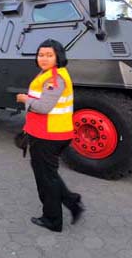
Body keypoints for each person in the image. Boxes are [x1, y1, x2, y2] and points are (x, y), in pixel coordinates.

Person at [16, 39, 84, 232]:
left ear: (58, 57)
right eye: (41, 55)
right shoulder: (49, 74)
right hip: (47, 132)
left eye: (49, 55)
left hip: (49, 136)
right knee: (48, 174)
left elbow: (44, 107)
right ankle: (72, 201)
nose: (43, 59)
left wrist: (24, 99)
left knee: (46, 179)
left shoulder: (55, 78)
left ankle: (52, 220)